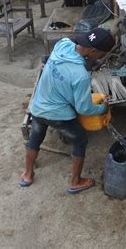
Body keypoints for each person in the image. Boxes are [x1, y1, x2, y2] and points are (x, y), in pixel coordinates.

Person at [19, 28, 115, 194]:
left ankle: (27, 175)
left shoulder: (62, 45)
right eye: (101, 55)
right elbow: (83, 108)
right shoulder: (81, 75)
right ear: (92, 51)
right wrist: (102, 107)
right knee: (80, 139)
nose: (100, 58)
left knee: (36, 137)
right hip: (58, 116)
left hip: (38, 107)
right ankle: (75, 181)